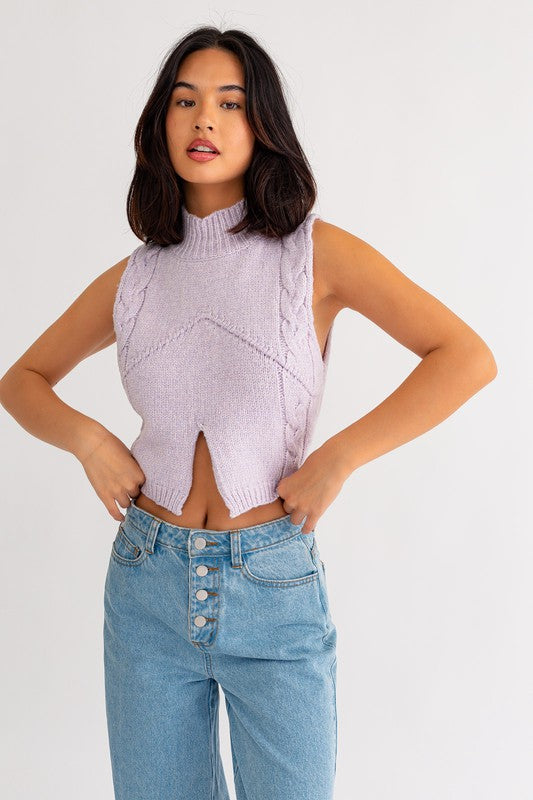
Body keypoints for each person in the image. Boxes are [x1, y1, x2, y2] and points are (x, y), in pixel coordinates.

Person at [0, 25, 497, 800]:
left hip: (272, 585)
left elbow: (463, 356)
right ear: (160, 123)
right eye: (185, 101)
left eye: (229, 103)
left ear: (262, 125)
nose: (205, 118)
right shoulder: (134, 279)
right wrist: (88, 441)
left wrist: (338, 457)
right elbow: (22, 380)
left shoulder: (315, 255)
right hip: (146, 583)